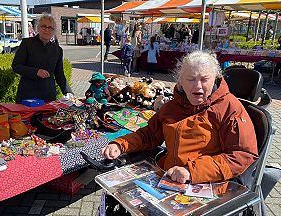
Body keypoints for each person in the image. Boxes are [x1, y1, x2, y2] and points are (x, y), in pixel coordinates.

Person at [102, 51, 258, 184]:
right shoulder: (173, 106)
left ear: (215, 79)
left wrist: (192, 172)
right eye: (191, 79)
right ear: (181, 81)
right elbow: (149, 135)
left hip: (206, 183)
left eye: (204, 79)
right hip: (168, 178)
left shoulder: (229, 107)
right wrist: (120, 145)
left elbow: (242, 154)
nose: (197, 86)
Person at [12, 13, 72, 103]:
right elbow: (16, 66)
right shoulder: (27, 43)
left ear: (54, 31)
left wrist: (68, 92)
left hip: (48, 95)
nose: (47, 30)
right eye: (44, 26)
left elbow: (59, 74)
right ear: (38, 28)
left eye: (50, 28)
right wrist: (36, 72)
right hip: (28, 95)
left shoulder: (57, 50)